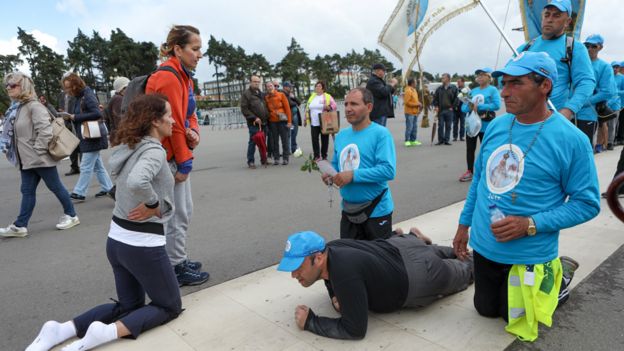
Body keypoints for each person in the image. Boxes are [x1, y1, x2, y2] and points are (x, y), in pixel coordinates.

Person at [452, 52, 600, 341]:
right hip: (484, 248)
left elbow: (587, 203)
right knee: (485, 310)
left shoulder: (572, 140)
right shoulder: (495, 127)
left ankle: (558, 280)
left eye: (516, 83)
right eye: (504, 83)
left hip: (528, 256)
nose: (504, 92)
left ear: (544, 85)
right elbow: (480, 181)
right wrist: (463, 225)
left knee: (515, 320)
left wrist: (530, 223)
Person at [25, 94, 182, 351]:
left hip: (117, 241)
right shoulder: (153, 150)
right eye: (169, 115)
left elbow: (128, 181)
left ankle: (60, 330)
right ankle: (106, 333)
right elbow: (137, 182)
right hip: (142, 244)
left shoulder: (129, 146)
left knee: (129, 307)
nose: (173, 120)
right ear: (155, 121)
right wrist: (154, 204)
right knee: (169, 306)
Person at [277, 230, 473, 340]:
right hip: (402, 246)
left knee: (471, 265)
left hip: (422, 274)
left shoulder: (344, 273)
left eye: (297, 267)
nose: (294, 275)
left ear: (318, 258)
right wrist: (335, 294)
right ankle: (422, 241)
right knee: (457, 251)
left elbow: (354, 329)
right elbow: (332, 278)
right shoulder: (332, 248)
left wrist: (311, 322)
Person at [144, 25, 209, 286]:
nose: (199, 54)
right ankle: (174, 266)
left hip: (171, 151)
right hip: (167, 156)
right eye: (195, 49)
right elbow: (174, 126)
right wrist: (185, 162)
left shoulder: (183, 75)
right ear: (178, 49)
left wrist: (194, 130)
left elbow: (188, 115)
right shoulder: (171, 78)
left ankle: (175, 259)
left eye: (200, 49)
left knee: (180, 211)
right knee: (176, 212)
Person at [0, 72, 80, 237]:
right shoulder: (19, 107)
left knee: (55, 187)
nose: (8, 88)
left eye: (13, 85)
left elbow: (45, 132)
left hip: (39, 158)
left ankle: (71, 215)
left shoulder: (34, 106)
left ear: (24, 86)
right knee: (27, 191)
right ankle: (20, 225)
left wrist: (37, 150)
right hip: (27, 160)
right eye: (7, 85)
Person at [322, 88, 396, 240]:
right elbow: (337, 165)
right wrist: (330, 174)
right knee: (351, 260)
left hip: (376, 211)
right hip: (349, 212)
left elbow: (388, 170)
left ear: (368, 107)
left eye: (354, 104)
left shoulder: (381, 134)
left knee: (378, 260)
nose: (348, 109)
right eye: (347, 104)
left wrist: (353, 175)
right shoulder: (342, 135)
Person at [516, 0, 595, 121]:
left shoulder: (574, 47)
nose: (550, 19)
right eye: (547, 15)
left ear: (567, 21)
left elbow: (586, 82)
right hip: (520, 117)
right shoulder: (525, 48)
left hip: (552, 118)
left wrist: (569, 110)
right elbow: (505, 78)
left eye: (556, 15)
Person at [61, 72, 114, 202]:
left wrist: (75, 117)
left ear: (75, 85)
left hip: (91, 136)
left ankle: (79, 192)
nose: (67, 90)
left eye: (68, 87)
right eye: (66, 87)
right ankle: (109, 188)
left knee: (85, 166)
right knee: (98, 166)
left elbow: (96, 113)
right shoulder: (82, 95)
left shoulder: (86, 94)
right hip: (89, 135)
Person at [459, 68, 501, 182]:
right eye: (478, 75)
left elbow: (497, 105)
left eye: (483, 75)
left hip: (486, 124)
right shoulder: (472, 91)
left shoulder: (492, 90)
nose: (480, 77)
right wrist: (470, 107)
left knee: (486, 148)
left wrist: (480, 107)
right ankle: (469, 171)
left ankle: (486, 171)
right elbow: (463, 107)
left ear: (489, 77)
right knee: (470, 149)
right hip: (472, 125)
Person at [574, 34, 615, 153]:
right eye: (587, 45)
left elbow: (608, 92)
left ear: (600, 48)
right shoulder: (575, 63)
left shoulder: (604, 67)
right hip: (568, 112)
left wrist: (584, 102)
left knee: (582, 150)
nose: (589, 49)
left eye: (594, 46)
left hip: (586, 114)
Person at [240, 75, 269, 168]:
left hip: (264, 122)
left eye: (258, 82)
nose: (257, 83)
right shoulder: (246, 94)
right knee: (253, 141)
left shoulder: (261, 93)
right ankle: (250, 161)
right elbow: (244, 109)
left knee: (262, 142)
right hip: (253, 123)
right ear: (250, 82)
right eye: (255, 81)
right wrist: (254, 118)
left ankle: (264, 160)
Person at [304, 81, 337, 161]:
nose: (317, 87)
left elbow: (334, 105)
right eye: (316, 86)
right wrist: (305, 119)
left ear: (323, 88)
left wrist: (329, 107)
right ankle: (316, 156)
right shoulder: (312, 96)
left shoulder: (327, 96)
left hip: (324, 121)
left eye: (319, 86)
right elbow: (307, 107)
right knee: (314, 139)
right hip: (313, 122)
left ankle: (324, 155)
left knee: (324, 139)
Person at [264, 81, 292, 165]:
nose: (269, 87)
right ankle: (276, 158)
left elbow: (287, 109)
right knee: (274, 141)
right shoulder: (266, 98)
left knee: (285, 140)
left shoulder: (281, 95)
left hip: (282, 121)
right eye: (268, 86)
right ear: (266, 88)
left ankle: (285, 158)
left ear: (274, 86)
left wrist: (289, 121)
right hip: (272, 122)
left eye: (271, 85)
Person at [58, 90, 80, 176]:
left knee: (80, 144)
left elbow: (77, 108)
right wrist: (61, 112)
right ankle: (74, 167)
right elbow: (60, 107)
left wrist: (71, 115)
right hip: (66, 123)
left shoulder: (75, 94)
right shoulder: (61, 95)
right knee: (71, 146)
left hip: (75, 121)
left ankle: (85, 166)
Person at [432, 73, 459, 145]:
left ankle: (446, 140)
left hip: (449, 110)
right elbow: (435, 98)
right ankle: (440, 140)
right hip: (441, 110)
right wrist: (436, 106)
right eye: (442, 77)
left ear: (448, 79)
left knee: (448, 126)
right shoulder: (439, 88)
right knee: (440, 125)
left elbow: (457, 98)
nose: (442, 79)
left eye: (443, 78)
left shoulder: (454, 88)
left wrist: (452, 107)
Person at [105, 76, 129, 142]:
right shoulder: (118, 99)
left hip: (120, 135)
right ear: (122, 89)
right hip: (122, 136)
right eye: (128, 87)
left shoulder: (118, 98)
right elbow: (119, 120)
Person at [282, 82, 302, 157]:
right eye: (289, 87)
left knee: (294, 132)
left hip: (295, 117)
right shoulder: (282, 94)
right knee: (289, 133)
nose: (291, 88)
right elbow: (288, 103)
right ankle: (288, 149)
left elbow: (299, 102)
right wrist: (295, 102)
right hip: (289, 117)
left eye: (291, 87)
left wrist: (294, 98)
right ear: (285, 87)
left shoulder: (290, 94)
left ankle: (293, 148)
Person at [403, 77, 422, 146]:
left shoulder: (414, 90)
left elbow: (415, 100)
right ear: (412, 83)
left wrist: (419, 104)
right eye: (416, 82)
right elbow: (407, 102)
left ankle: (413, 140)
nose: (416, 83)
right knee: (409, 127)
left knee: (414, 127)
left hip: (415, 112)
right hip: (409, 112)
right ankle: (407, 140)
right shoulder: (408, 90)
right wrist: (417, 104)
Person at [453, 77, 468, 141]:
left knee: (462, 123)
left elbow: (467, 99)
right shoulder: (455, 89)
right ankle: (455, 136)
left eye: (459, 82)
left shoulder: (466, 89)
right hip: (455, 109)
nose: (458, 83)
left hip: (463, 108)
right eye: (457, 82)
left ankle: (462, 136)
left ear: (463, 82)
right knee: (455, 123)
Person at [615, 62, 624, 146]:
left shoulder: (622, 78)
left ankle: (620, 138)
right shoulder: (613, 76)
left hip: (621, 103)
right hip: (615, 103)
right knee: (616, 123)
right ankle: (616, 138)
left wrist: (616, 92)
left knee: (621, 122)